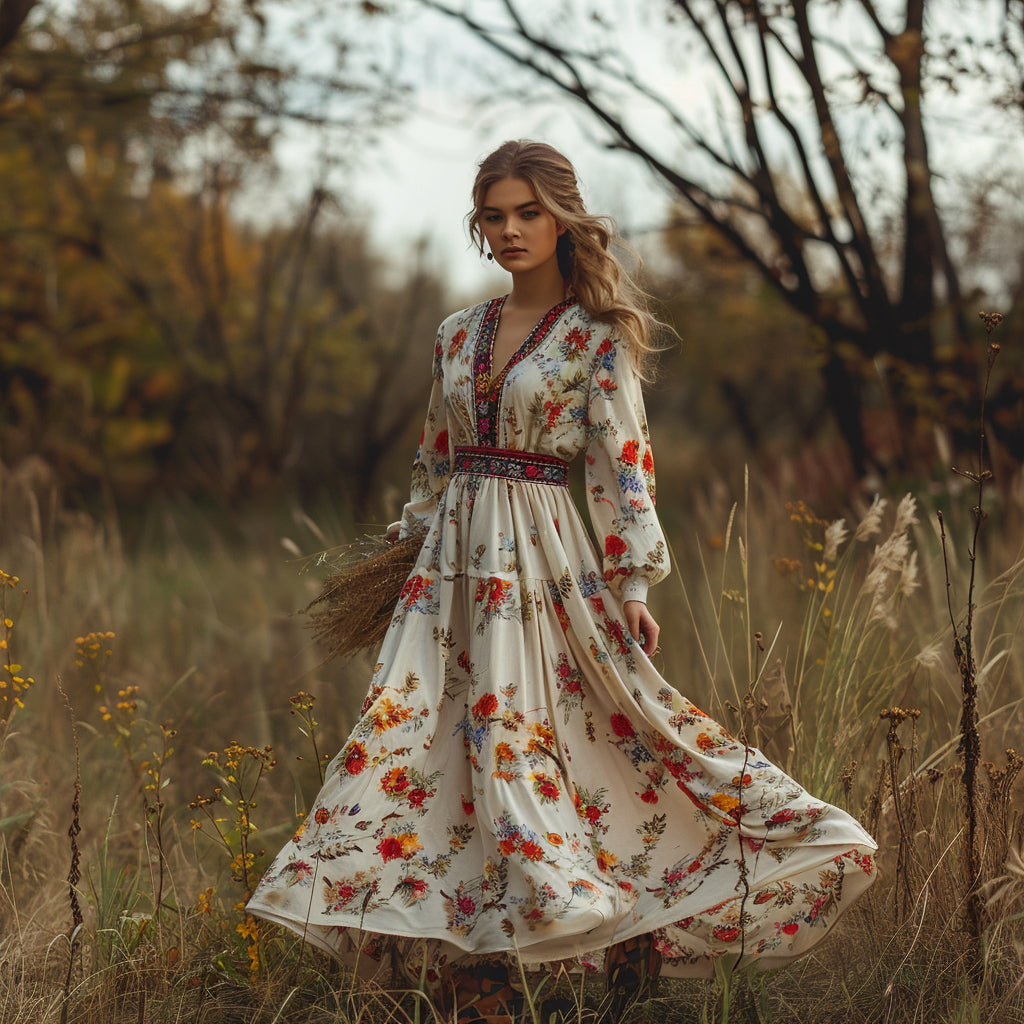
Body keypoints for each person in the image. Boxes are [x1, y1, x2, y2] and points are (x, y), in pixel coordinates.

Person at [247, 140, 877, 1023]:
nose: (508, 230)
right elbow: (434, 466)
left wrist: (633, 589)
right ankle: (477, 967)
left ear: (562, 218)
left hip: (545, 564)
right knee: (418, 745)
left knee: (560, 742)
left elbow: (624, 468)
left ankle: (618, 932)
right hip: (448, 578)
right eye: (494, 215)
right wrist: (402, 560)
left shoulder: (597, 336)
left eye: (527, 213)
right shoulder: (454, 334)